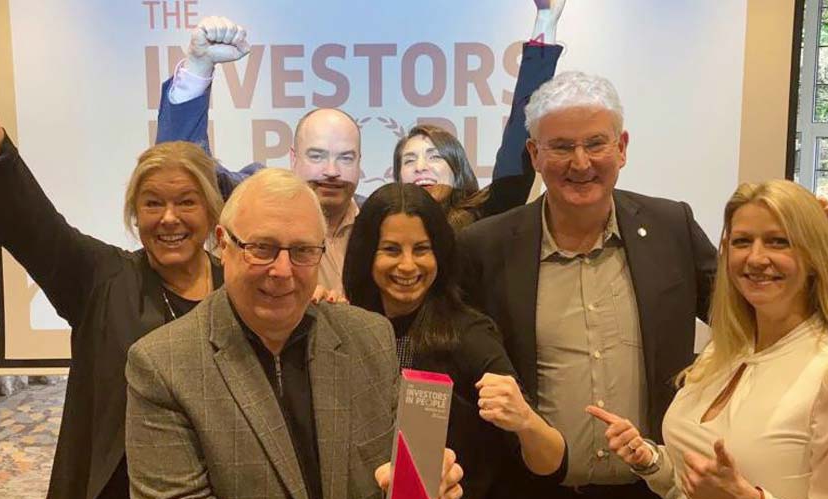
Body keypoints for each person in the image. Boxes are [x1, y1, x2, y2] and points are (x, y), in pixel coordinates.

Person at [456, 71, 828, 499]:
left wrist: (820, 258)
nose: (581, 163)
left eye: (596, 143)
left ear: (622, 148)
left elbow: (752, 310)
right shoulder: (486, 247)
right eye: (561, 147)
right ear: (534, 154)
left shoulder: (670, 227)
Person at [0, 3, 227, 499]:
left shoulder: (240, 289)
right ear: (134, 214)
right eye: (152, 203)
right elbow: (18, 208)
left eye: (186, 202)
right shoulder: (101, 279)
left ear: (212, 211)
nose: (169, 218)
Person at [125, 169, 464, 499]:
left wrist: (426, 487)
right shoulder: (163, 365)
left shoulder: (369, 337)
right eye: (262, 248)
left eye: (302, 251)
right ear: (223, 244)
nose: (283, 270)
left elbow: (395, 478)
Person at [155, 0, 567, 290]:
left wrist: (544, 29)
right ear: (293, 158)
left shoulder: (385, 220)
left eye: (345, 157)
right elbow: (186, 172)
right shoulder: (258, 202)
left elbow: (512, 175)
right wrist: (199, 68)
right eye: (317, 156)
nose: (331, 170)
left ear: (360, 164)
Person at [588, 180, 828, 499]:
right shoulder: (721, 353)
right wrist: (652, 462)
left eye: (778, 241)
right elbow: (698, 495)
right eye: (742, 241)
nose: (755, 258)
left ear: (815, 256)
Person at [341, 182, 567, 499]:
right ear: (366, 253)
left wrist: (525, 420)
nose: (407, 265)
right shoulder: (344, 330)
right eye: (391, 249)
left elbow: (551, 461)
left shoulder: (468, 335)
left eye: (422, 249)